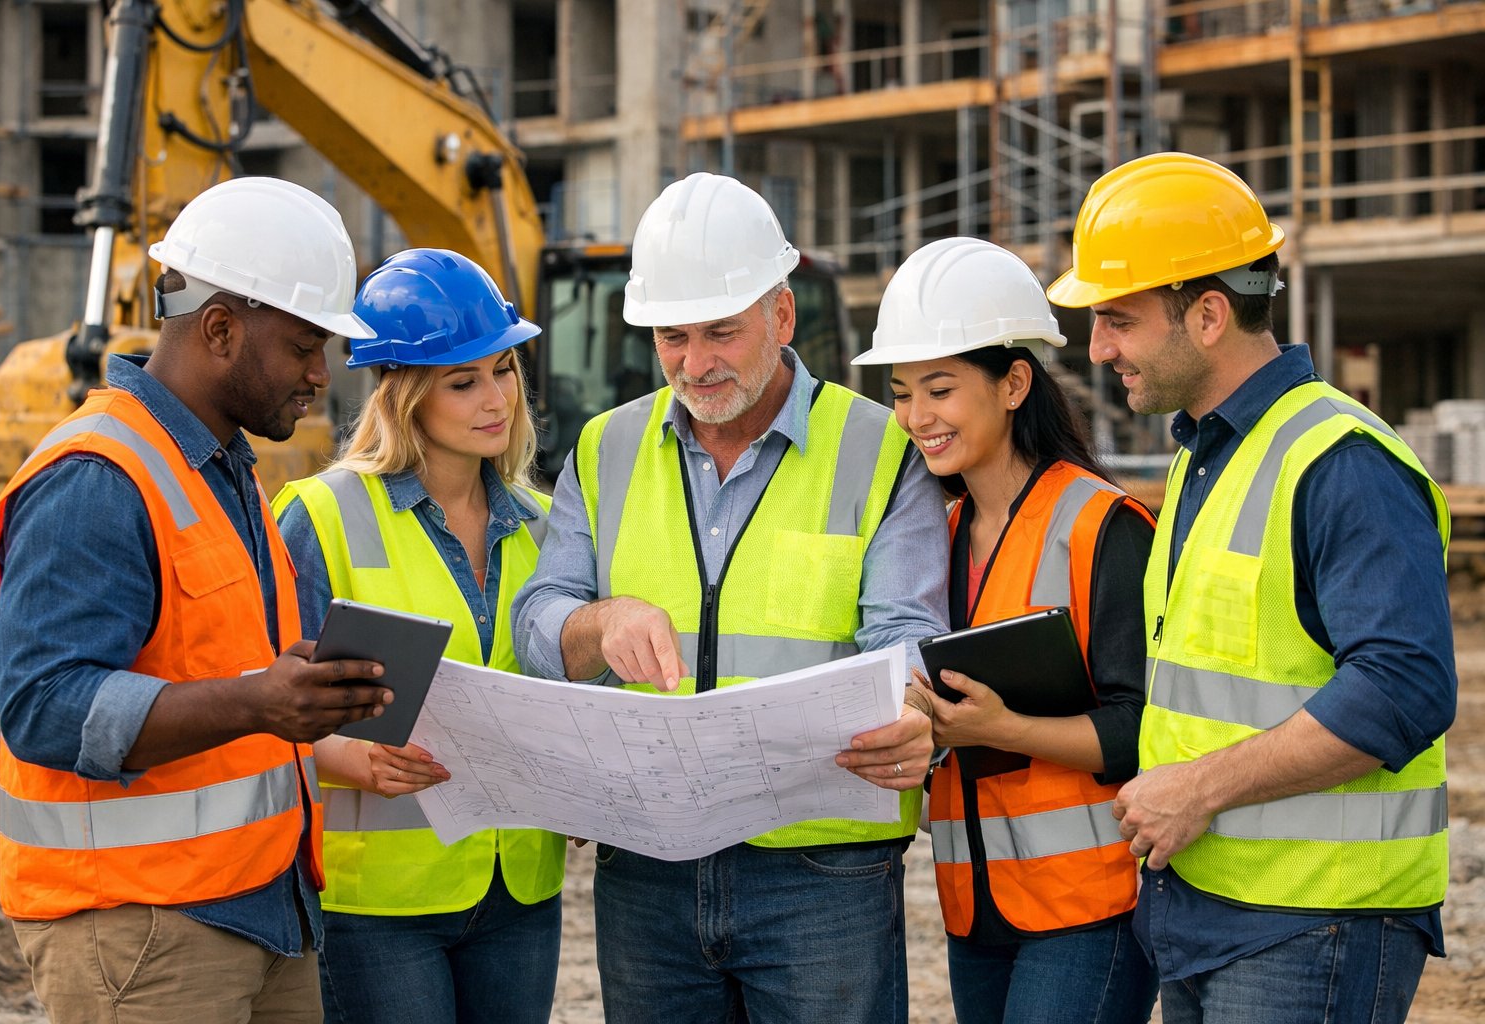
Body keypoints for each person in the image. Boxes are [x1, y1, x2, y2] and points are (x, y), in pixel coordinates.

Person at [511, 171, 950, 1024]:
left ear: (781, 317)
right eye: (672, 337)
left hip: (822, 872)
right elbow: (538, 620)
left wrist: (910, 706)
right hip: (646, 869)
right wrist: (598, 624)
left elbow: (907, 635)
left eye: (721, 332)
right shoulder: (605, 448)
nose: (695, 362)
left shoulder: (877, 447)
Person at [1046, 152, 1455, 1023]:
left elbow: (1405, 689)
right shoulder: (1209, 450)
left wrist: (1200, 788)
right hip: (1211, 908)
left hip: (1316, 923)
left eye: (1116, 318)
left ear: (1206, 314)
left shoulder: (1342, 462)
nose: (1098, 348)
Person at [0, 176, 392, 1023]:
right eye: (306, 345)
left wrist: (299, 687)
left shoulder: (223, 469)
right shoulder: (99, 477)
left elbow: (214, 661)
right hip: (140, 930)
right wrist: (257, 701)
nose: (323, 372)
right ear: (218, 328)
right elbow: (44, 706)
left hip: (257, 906)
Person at [854, 237, 1159, 1024]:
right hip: (975, 906)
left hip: (1088, 909)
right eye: (901, 392)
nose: (917, 417)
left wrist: (1004, 727)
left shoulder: (1102, 526)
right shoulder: (933, 538)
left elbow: (1143, 730)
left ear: (1015, 382)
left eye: (942, 389)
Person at [273, 248, 566, 1024]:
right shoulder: (321, 517)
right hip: (380, 904)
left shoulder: (547, 527)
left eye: (503, 370)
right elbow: (263, 705)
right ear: (401, 394)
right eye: (462, 382)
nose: (496, 398)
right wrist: (352, 758)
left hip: (519, 890)